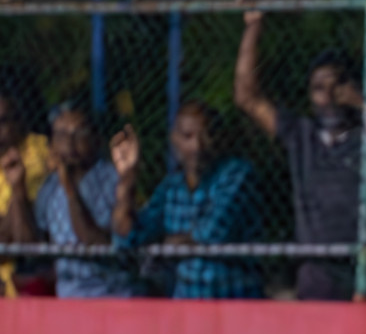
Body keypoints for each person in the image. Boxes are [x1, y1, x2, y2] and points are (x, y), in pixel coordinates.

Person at [234, 20, 366, 301]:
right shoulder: (301, 135)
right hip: (318, 269)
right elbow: (247, 98)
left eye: (337, 86)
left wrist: (364, 102)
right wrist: (254, 27)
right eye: (319, 88)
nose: (329, 96)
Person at [108, 101, 264, 299]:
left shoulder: (237, 174)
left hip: (233, 302)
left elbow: (211, 232)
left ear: (220, 138)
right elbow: (128, 240)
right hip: (187, 308)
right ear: (175, 140)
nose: (197, 146)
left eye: (207, 135)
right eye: (187, 136)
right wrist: (127, 181)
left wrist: (160, 248)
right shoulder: (171, 186)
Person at [21, 102, 134, 298]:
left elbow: (93, 241)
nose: (70, 143)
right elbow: (36, 245)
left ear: (97, 140)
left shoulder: (113, 179)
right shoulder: (49, 186)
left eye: (79, 134)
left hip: (109, 294)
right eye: (61, 135)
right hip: (68, 295)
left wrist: (70, 189)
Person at [0, 93, 51, 297]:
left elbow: (25, 239)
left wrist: (17, 188)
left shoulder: (40, 151)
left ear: (18, 120)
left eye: (2, 120)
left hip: (32, 277)